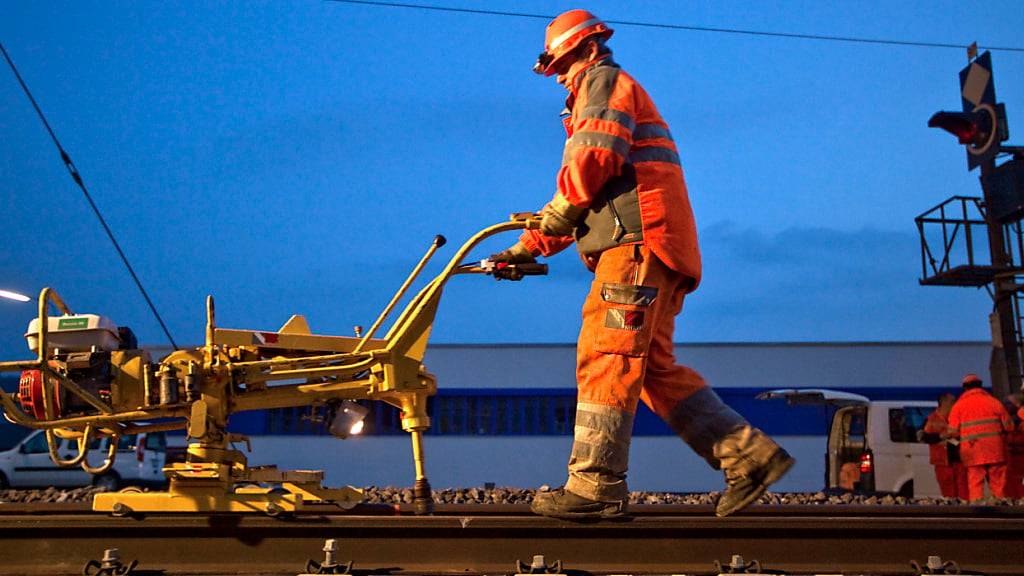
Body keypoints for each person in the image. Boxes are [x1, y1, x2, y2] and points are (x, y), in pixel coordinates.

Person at [491, 9, 793, 519]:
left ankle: (593, 487)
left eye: (562, 65)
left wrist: (544, 229)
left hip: (636, 248)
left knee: (606, 355)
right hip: (655, 248)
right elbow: (588, 194)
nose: (559, 77)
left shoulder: (604, 84)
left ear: (585, 50)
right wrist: (529, 247)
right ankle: (749, 458)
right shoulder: (600, 92)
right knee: (652, 369)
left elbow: (589, 170)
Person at [945, 373, 1013, 501]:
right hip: (995, 451)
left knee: (975, 484)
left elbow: (952, 432)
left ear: (965, 388)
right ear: (981, 386)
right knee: (998, 485)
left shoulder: (958, 406)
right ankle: (1002, 513)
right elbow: (1009, 427)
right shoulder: (994, 403)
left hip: (973, 451)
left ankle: (978, 514)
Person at [921, 392, 968, 499]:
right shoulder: (931, 419)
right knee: (948, 494)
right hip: (942, 463)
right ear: (943, 403)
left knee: (964, 494)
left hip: (960, 461)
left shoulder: (957, 417)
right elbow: (925, 438)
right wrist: (942, 436)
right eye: (952, 401)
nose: (955, 403)